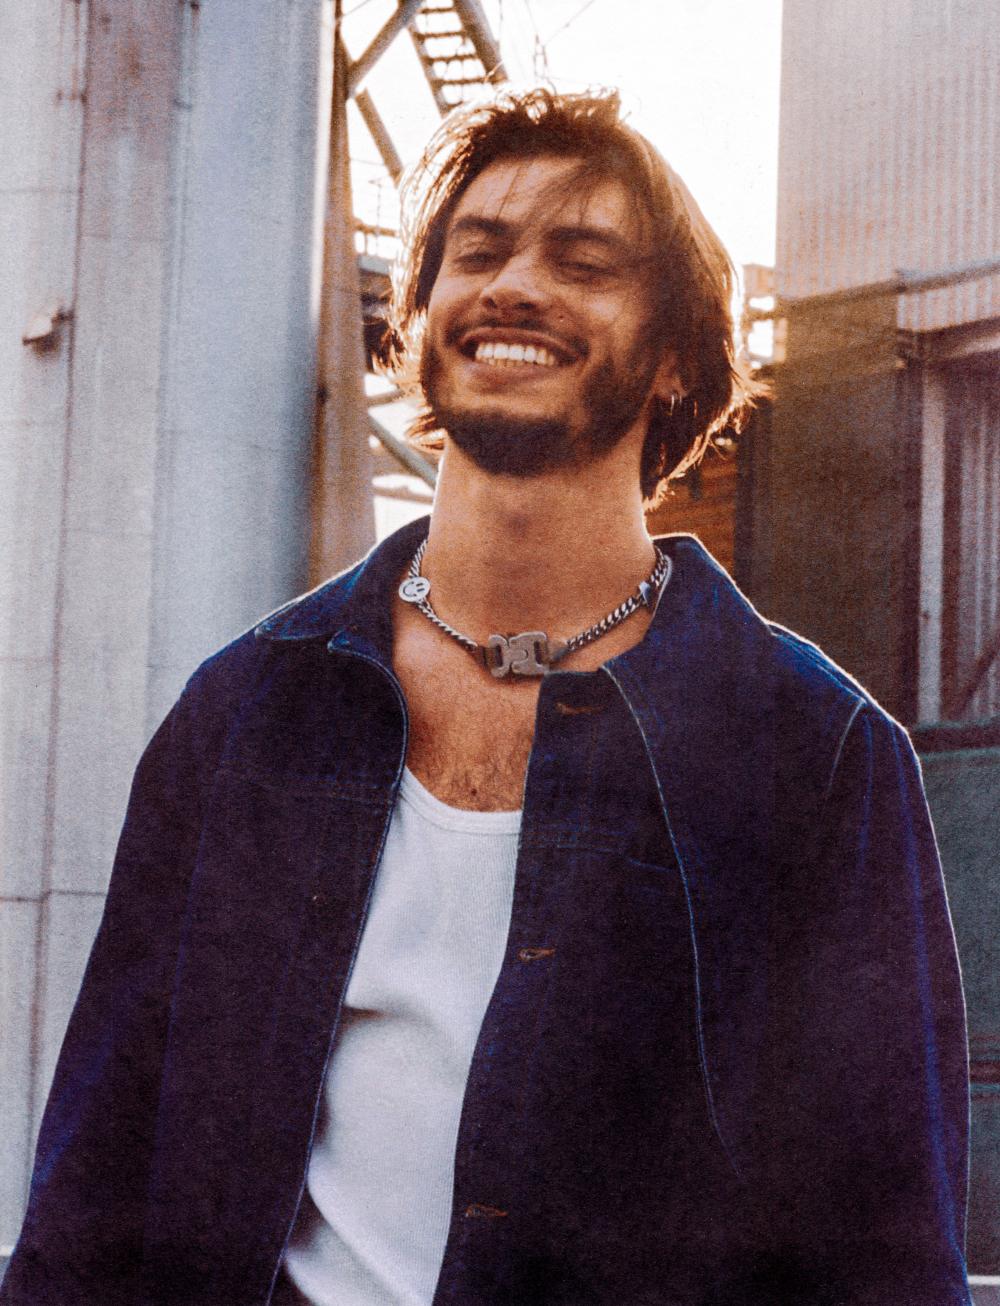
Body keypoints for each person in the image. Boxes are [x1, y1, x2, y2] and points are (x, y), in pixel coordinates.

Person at [2, 87, 972, 1306]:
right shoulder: (247, 711)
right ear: (419, 320)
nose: (514, 287)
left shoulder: (811, 751)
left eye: (583, 262)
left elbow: (884, 1249)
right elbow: (94, 1189)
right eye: (478, 252)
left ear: (678, 354)